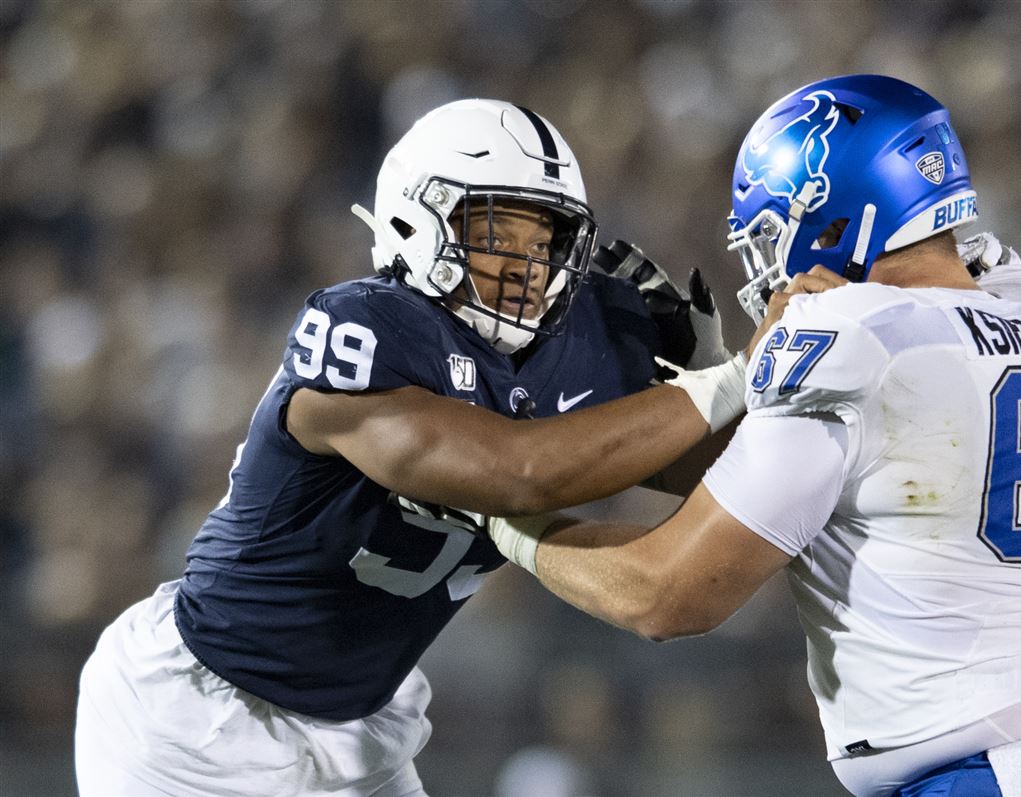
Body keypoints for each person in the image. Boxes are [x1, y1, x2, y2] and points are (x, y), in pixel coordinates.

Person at [73, 98, 750, 796]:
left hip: (361, 721)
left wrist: (712, 386)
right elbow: (517, 473)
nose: (525, 265)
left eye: (543, 241)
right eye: (496, 231)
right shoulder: (362, 326)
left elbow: (723, 477)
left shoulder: (582, 343)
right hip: (200, 719)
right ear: (412, 219)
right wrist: (731, 382)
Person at [485, 75, 1021, 796]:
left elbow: (666, 594)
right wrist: (720, 382)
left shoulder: (851, 335)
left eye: (773, 232)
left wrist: (512, 526)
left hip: (1000, 769)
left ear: (834, 223)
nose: (770, 263)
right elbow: (879, 442)